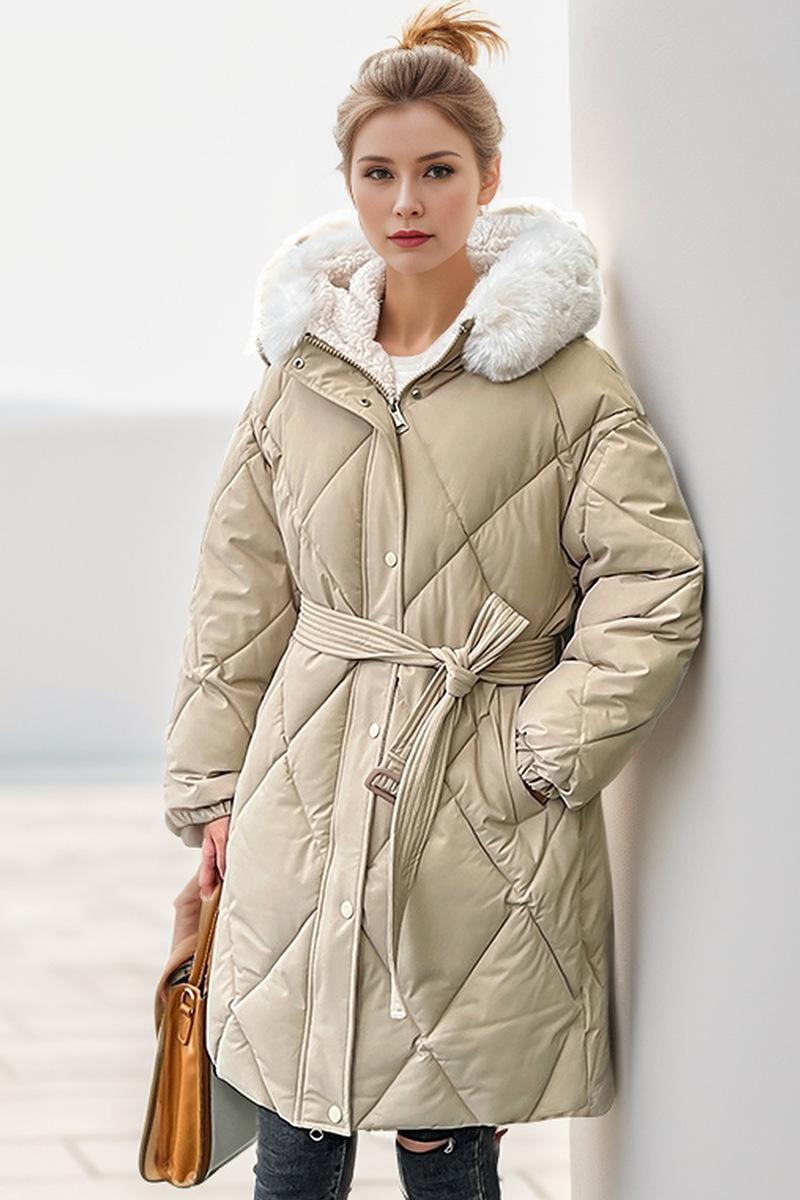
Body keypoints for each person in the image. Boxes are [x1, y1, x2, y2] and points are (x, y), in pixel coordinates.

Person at [161, 3, 705, 1197]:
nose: (405, 200)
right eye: (379, 173)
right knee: (295, 1127)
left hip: (475, 795)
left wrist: (536, 754)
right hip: (304, 781)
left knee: (445, 1140)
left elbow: (652, 579)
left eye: (437, 170)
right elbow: (237, 593)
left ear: (486, 180)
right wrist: (213, 786)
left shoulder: (569, 384)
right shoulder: (299, 379)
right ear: (348, 185)